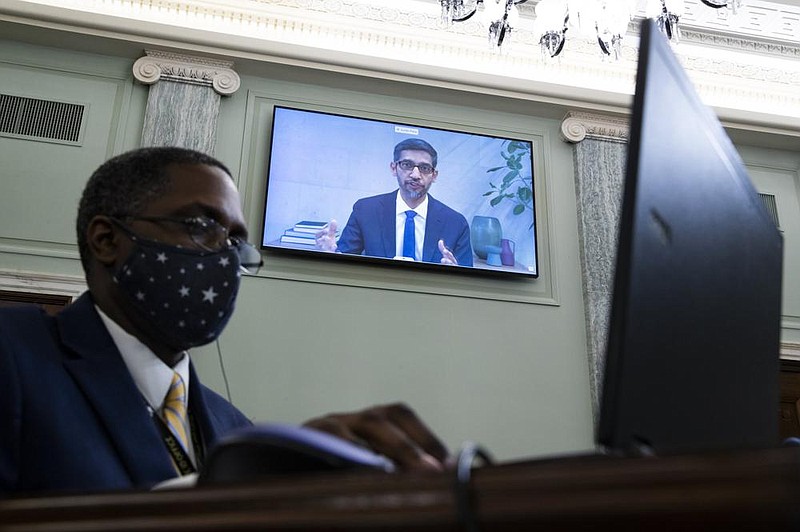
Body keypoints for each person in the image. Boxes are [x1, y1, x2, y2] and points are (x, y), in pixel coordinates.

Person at [0, 147, 448, 495]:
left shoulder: (235, 429)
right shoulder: (14, 354)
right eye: (201, 225)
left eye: (236, 242)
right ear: (106, 239)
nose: (225, 256)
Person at [315, 138, 473, 266]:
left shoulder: (456, 223)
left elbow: (468, 283)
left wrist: (455, 274)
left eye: (424, 168)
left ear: (434, 175)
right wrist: (328, 256)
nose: (415, 174)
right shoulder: (366, 210)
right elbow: (344, 263)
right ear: (393, 168)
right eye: (407, 165)